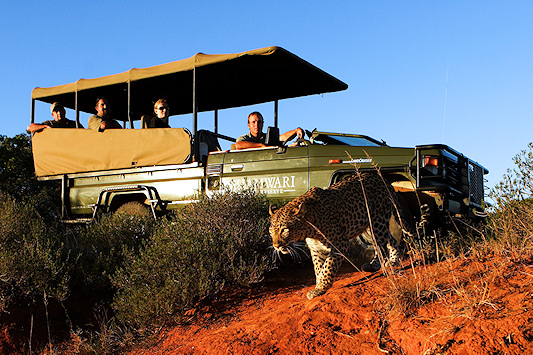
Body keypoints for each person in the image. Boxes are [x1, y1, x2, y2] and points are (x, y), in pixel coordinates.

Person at [235, 111, 304, 150]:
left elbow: (283, 137)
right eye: (253, 122)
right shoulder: (245, 138)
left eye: (259, 122)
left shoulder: (268, 137)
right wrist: (261, 146)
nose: (256, 125)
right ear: (249, 125)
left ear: (262, 124)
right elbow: (238, 145)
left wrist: (296, 131)